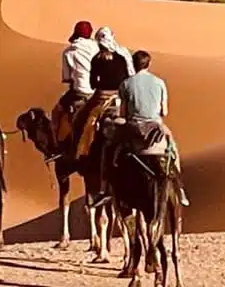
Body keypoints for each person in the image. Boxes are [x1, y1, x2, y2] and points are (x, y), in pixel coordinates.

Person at [89, 50, 189, 208]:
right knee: (173, 151)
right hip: (155, 126)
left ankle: (105, 187)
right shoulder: (159, 82)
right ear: (148, 64)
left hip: (133, 127)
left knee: (111, 150)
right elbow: (164, 112)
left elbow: (123, 113)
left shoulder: (126, 84)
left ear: (133, 65)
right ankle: (179, 188)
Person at [73, 29, 131, 161]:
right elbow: (126, 78)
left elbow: (93, 83)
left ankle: (81, 152)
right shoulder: (121, 58)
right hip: (120, 97)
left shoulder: (97, 60)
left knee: (81, 118)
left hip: (101, 98)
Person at [50, 20, 99, 159]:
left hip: (80, 92)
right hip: (98, 92)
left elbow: (67, 78)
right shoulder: (98, 47)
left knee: (56, 112)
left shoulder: (69, 52)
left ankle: (56, 146)